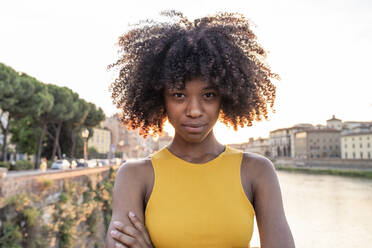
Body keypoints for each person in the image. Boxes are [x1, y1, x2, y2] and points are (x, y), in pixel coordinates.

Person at [106, 10, 295, 248]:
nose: (194, 110)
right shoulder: (134, 176)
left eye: (208, 95)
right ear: (160, 98)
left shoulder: (257, 171)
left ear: (225, 97)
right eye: (178, 95)